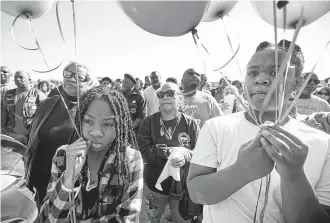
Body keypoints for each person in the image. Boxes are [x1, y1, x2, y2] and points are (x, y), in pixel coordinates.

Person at [187, 40, 330, 223]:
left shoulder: (322, 143)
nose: (261, 79)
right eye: (253, 72)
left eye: (275, 72)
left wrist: (294, 176)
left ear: (297, 83)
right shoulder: (217, 128)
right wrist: (240, 171)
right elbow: (196, 193)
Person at [38, 86, 143, 222]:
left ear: (120, 126)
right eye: (88, 121)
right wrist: (69, 178)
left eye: (108, 124)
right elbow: (51, 218)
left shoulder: (131, 160)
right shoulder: (64, 155)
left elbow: (127, 218)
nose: (96, 132)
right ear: (79, 121)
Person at [25, 62, 95, 206]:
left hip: (70, 184)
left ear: (89, 82)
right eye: (67, 74)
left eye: (78, 76)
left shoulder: (93, 109)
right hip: (41, 179)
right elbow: (32, 137)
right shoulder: (47, 104)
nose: (71, 78)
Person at [138, 82, 200, 223]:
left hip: (181, 188)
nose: (165, 97)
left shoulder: (190, 123)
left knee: (180, 220)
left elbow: (198, 151)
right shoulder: (148, 122)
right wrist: (169, 153)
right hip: (155, 185)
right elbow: (144, 153)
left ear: (179, 98)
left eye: (171, 93)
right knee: (152, 219)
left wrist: (184, 154)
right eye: (161, 94)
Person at [1, 70, 46, 144]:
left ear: (29, 80)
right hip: (11, 135)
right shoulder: (9, 94)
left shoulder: (38, 94)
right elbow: (3, 112)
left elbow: (45, 115)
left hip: (31, 136)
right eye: (15, 77)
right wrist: (2, 130)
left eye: (21, 77)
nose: (17, 79)